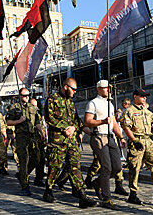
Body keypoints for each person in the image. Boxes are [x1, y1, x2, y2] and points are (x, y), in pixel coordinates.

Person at [43, 77, 96, 209]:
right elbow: (49, 118)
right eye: (73, 89)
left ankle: (82, 195)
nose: (74, 92)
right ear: (66, 87)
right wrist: (64, 128)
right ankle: (48, 190)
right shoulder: (52, 99)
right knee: (55, 166)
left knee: (75, 166)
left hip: (71, 141)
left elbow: (76, 120)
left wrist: (76, 128)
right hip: (58, 141)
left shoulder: (71, 102)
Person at [121, 88, 153, 204]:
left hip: (148, 141)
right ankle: (133, 194)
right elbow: (126, 127)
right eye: (142, 96)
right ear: (135, 97)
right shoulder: (129, 111)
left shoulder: (146, 111)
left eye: (145, 96)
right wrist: (134, 140)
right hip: (137, 141)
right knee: (135, 168)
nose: (144, 98)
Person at [84, 80, 126, 210]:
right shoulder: (93, 103)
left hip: (110, 137)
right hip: (98, 137)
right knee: (106, 167)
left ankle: (98, 182)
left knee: (118, 167)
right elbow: (87, 122)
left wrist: (121, 137)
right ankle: (106, 199)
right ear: (99, 89)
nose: (108, 90)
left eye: (109, 88)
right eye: (106, 88)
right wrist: (102, 121)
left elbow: (113, 122)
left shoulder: (110, 104)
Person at [6, 88, 45, 196]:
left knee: (37, 158)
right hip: (21, 137)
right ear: (20, 96)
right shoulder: (15, 108)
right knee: (23, 161)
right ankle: (25, 186)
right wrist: (19, 121)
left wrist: (41, 132)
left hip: (32, 137)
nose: (26, 97)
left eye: (28, 95)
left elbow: (37, 121)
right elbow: (8, 122)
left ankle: (23, 174)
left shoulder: (32, 107)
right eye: (24, 95)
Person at [30, 98, 46, 186]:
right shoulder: (27, 115)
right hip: (30, 139)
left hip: (40, 139)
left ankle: (39, 178)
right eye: (33, 106)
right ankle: (24, 174)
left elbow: (44, 127)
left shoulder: (39, 115)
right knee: (33, 159)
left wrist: (44, 136)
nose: (35, 108)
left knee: (42, 158)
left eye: (36, 106)